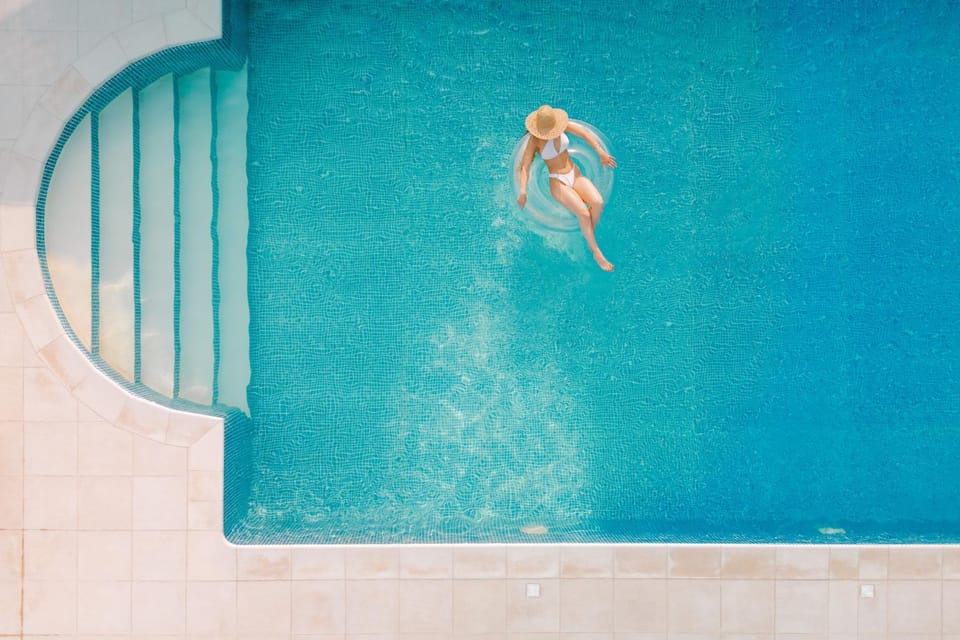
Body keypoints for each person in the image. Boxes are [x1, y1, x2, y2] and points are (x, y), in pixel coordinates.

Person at [516, 104, 617, 271]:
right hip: (558, 181)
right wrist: (523, 190)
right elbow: (525, 166)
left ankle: (588, 235)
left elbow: (585, 133)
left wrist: (600, 152)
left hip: (575, 174)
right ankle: (596, 251)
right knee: (583, 213)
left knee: (598, 202)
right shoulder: (535, 140)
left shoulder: (563, 125)